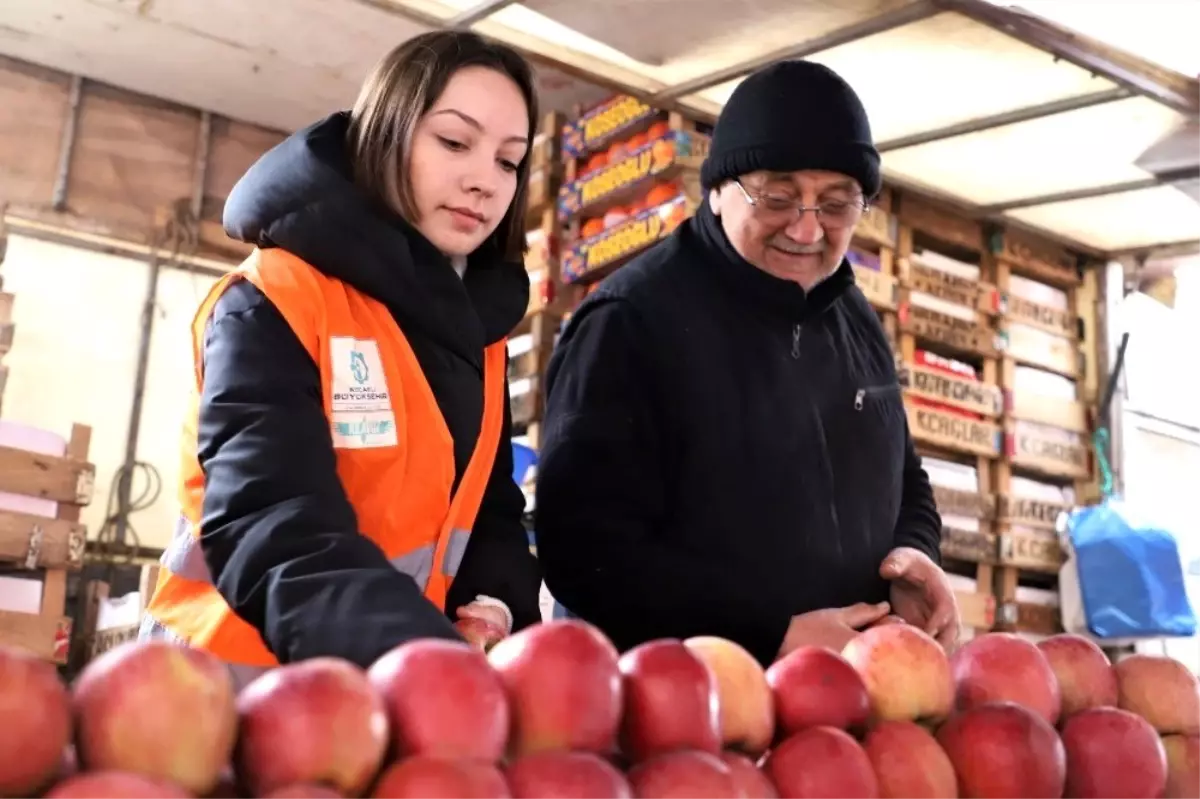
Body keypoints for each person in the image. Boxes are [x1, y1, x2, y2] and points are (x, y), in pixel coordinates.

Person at [140, 31, 543, 686]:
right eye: (453, 141)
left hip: (387, 692)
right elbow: (268, 520)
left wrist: (494, 604)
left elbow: (488, 507)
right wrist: (420, 651)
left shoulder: (481, 331)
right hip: (226, 689)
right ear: (386, 134)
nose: (484, 181)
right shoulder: (275, 299)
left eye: (509, 161)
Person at [534, 60, 959, 667]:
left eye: (837, 205)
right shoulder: (631, 320)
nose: (808, 229)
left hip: (848, 695)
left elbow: (901, 472)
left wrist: (913, 556)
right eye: (779, 197)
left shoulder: (853, 315)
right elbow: (586, 550)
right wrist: (765, 631)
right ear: (717, 187)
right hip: (680, 705)